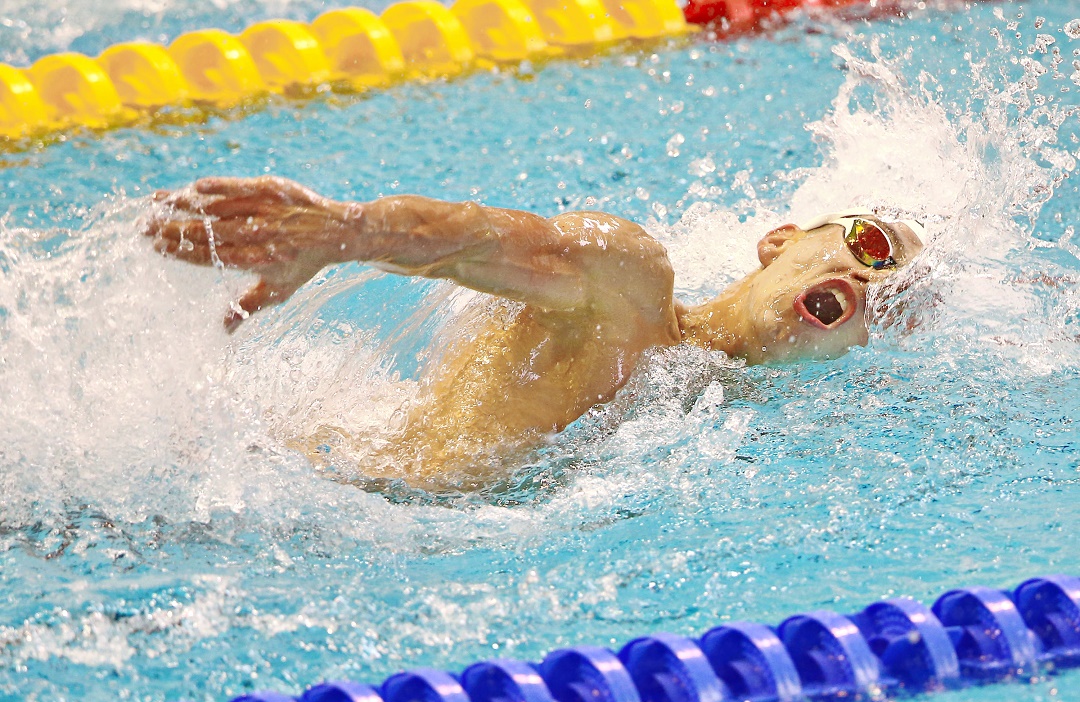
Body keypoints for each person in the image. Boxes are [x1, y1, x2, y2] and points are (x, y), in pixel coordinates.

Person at [145, 176, 925, 487]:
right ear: (782, 240)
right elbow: (485, 240)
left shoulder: (729, 425)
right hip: (297, 504)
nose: (869, 285)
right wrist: (341, 232)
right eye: (874, 247)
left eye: (888, 307)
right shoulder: (629, 286)